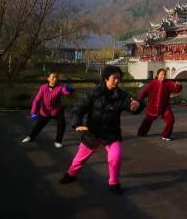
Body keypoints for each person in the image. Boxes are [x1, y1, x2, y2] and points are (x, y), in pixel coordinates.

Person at [59, 65, 144, 195]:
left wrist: (138, 106)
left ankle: (114, 183)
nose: (117, 81)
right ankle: (70, 174)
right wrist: (77, 124)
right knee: (80, 159)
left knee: (115, 157)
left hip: (111, 133)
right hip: (92, 132)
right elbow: (78, 108)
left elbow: (133, 104)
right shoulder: (94, 93)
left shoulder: (121, 95)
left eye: (119, 78)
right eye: (114, 78)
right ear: (106, 78)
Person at [22, 72, 74, 148]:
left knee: (62, 124)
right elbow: (36, 100)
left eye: (56, 78)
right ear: (48, 79)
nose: (55, 79)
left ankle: (58, 141)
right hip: (45, 111)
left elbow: (66, 93)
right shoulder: (43, 87)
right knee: (38, 125)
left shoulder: (60, 87)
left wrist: (70, 90)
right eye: (53, 77)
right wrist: (33, 112)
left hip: (56, 110)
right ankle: (31, 137)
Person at [136, 68, 182, 141]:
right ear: (157, 75)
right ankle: (141, 133)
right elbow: (145, 92)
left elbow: (176, 89)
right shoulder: (153, 83)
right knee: (147, 121)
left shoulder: (168, 83)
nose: (163, 76)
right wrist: (138, 100)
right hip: (153, 107)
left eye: (164, 75)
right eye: (161, 74)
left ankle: (165, 135)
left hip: (165, 108)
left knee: (171, 120)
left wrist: (179, 86)